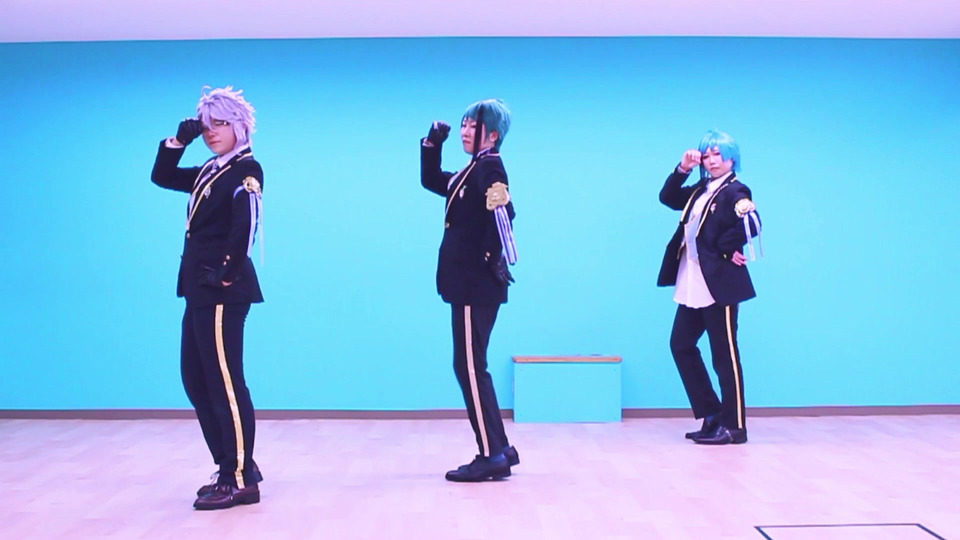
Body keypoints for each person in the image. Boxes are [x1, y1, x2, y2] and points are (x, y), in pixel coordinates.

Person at [150, 86, 265, 508]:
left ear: (239, 126)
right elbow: (163, 177)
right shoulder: (209, 171)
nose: (212, 132)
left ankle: (240, 478)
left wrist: (228, 273)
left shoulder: (245, 169)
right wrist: (177, 142)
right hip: (199, 288)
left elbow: (247, 223)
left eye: (220, 123)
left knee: (225, 382)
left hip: (221, 290)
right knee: (196, 378)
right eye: (206, 125)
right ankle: (230, 465)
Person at [420, 99, 521, 481]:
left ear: (492, 135)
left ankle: (491, 453)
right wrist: (433, 143)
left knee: (469, 367)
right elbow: (433, 181)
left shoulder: (489, 166)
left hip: (474, 284)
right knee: (473, 366)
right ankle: (501, 447)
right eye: (462, 124)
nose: (464, 131)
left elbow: (503, 213)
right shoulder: (472, 169)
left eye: (472, 126)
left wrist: (488, 260)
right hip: (469, 284)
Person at [656, 129, 761, 445]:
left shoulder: (736, 190)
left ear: (732, 159)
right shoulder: (701, 189)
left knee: (724, 355)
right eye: (708, 154)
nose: (712, 160)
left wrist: (726, 250)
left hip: (720, 283)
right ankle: (712, 414)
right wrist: (683, 169)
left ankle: (735, 426)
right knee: (681, 344)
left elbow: (752, 223)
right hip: (693, 278)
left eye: (719, 154)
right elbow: (668, 198)